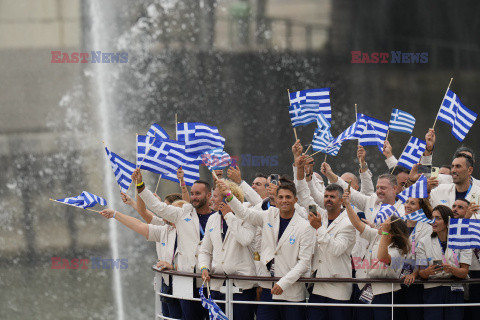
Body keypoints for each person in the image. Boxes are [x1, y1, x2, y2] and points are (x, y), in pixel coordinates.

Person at [216, 179, 314, 320]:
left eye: (288, 197)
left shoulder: (305, 226)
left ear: (295, 200)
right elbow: (245, 214)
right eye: (280, 197)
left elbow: (304, 262)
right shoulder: (269, 214)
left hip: (292, 292)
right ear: (276, 199)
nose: (284, 200)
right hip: (268, 289)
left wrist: (283, 283)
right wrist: (229, 195)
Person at [133, 168, 212, 320]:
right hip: (185, 277)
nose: (194, 197)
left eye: (198, 194)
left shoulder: (216, 217)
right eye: (193, 193)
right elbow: (158, 207)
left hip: (210, 279)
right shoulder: (183, 213)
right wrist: (141, 186)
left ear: (208, 195)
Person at [98, 200, 186, 319]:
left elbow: (198, 261)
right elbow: (139, 225)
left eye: (173, 210)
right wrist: (115, 214)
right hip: (168, 285)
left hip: (186, 287)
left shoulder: (193, 232)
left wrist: (174, 267)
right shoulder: (167, 230)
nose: (169, 212)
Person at [295, 155, 356, 320]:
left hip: (339, 289)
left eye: (332, 197)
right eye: (326, 196)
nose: (328, 200)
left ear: (341, 200)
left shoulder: (349, 223)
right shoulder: (319, 214)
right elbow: (302, 195)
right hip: (319, 286)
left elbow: (336, 249)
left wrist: (319, 228)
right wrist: (300, 169)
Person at [343, 191, 410, 320]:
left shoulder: (399, 250)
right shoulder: (377, 236)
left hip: (385, 292)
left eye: (385, 222)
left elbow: (383, 257)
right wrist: (347, 205)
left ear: (392, 230)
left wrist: (384, 233)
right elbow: (358, 224)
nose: (380, 223)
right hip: (367, 288)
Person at [199, 179, 256, 320]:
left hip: (242, 287)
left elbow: (245, 239)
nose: (211, 199)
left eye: (216, 196)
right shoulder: (212, 219)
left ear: (227, 199)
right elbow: (205, 250)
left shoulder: (247, 217)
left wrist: (229, 216)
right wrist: (204, 267)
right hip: (217, 285)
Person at [417, 205, 471, 320]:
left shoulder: (463, 240)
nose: (433, 221)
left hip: (454, 290)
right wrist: (428, 271)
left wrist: (452, 269)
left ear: (448, 221)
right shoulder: (422, 242)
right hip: (432, 291)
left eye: (438, 218)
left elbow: (464, 272)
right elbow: (421, 273)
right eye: (432, 218)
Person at [394, 198, 433, 320]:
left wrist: (415, 274)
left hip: (415, 282)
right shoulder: (397, 225)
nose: (407, 206)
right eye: (406, 202)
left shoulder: (427, 228)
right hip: (396, 279)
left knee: (414, 315)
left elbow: (425, 256)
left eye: (412, 203)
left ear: (420, 208)